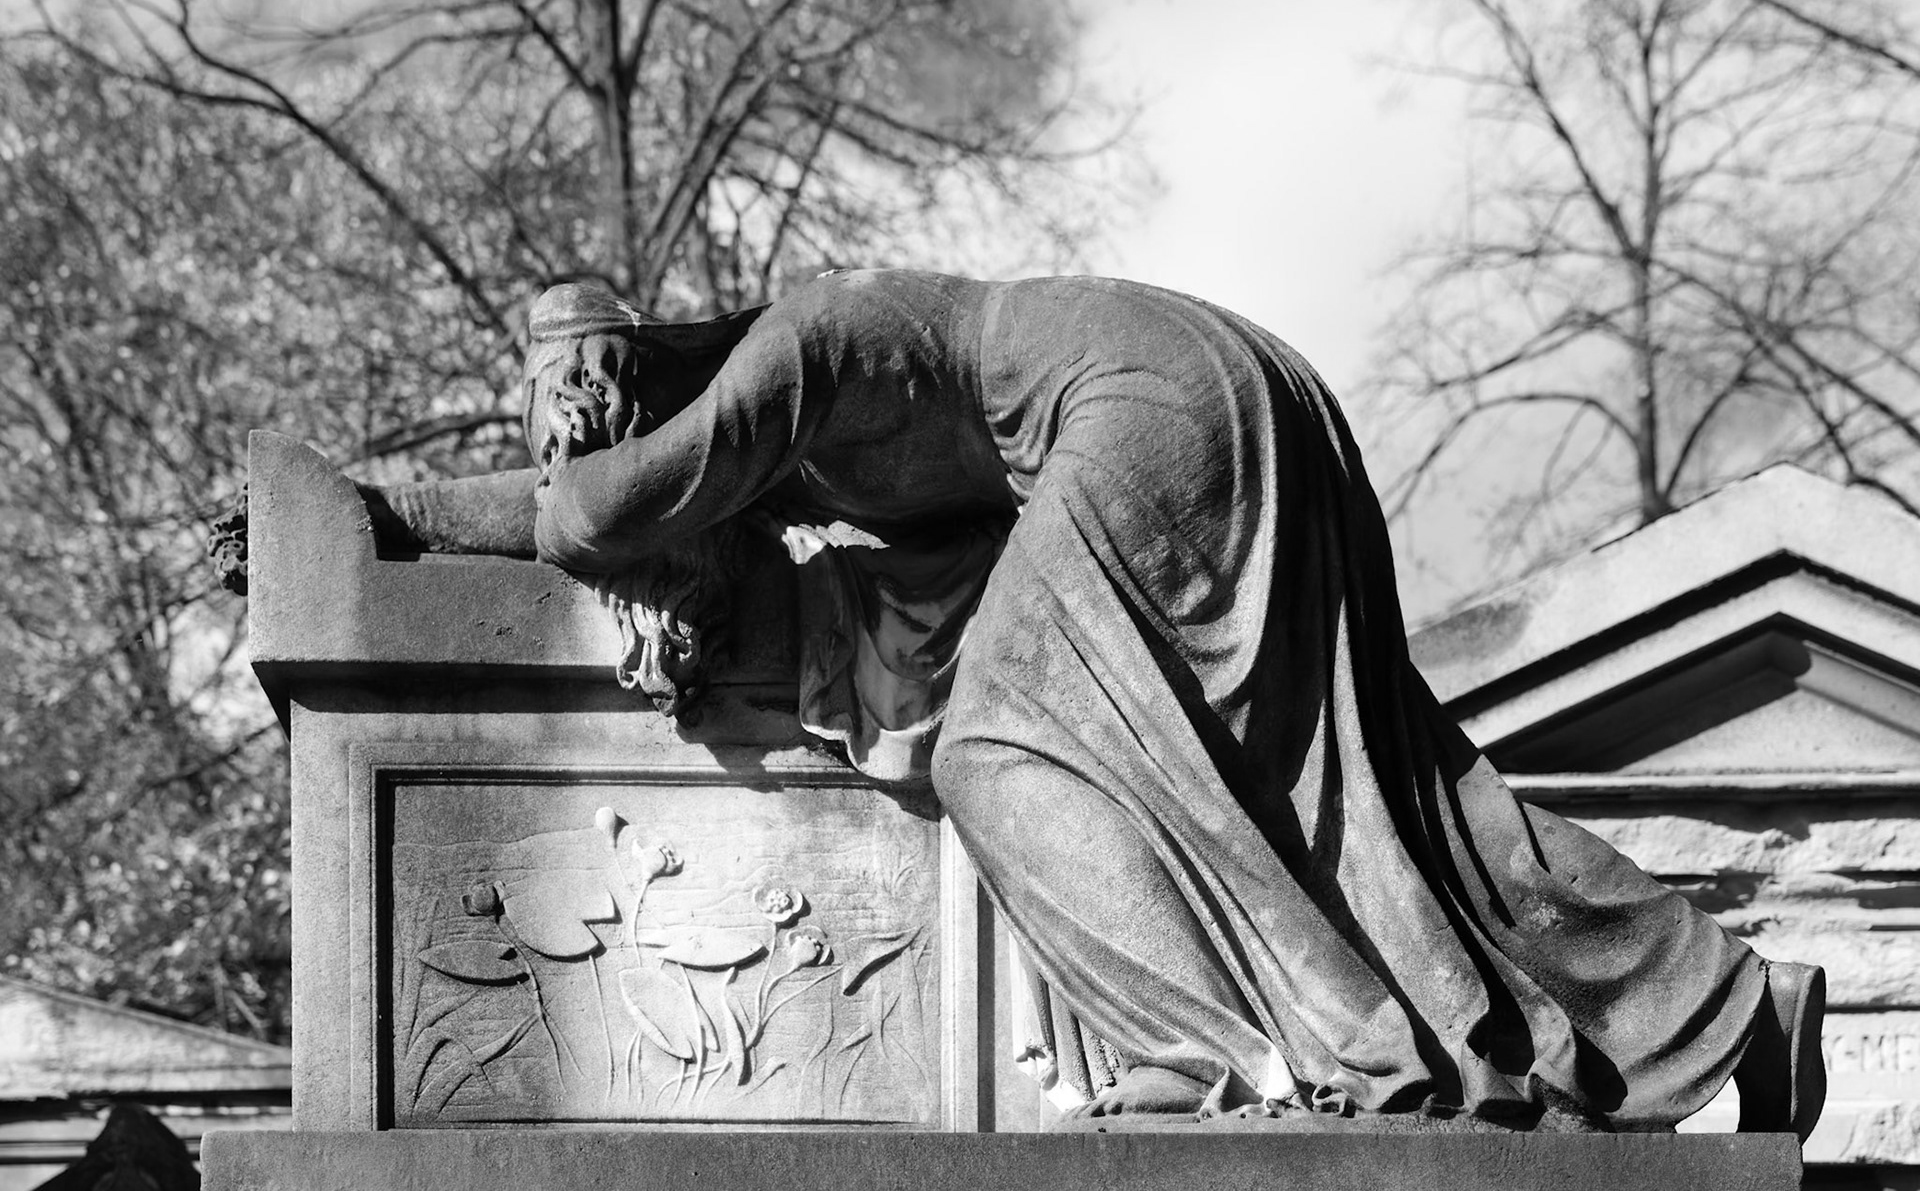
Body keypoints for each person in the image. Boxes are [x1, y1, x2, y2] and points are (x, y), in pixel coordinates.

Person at [366, 270, 1825, 1135]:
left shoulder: (798, 355)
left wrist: (396, 504)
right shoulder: (813, 387)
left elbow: (603, 516)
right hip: (1240, 385)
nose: (579, 424)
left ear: (633, 375)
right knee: (1364, 795)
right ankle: (1733, 1001)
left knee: (1001, 747)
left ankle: (1232, 1060)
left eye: (586, 395)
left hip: (1151, 406)